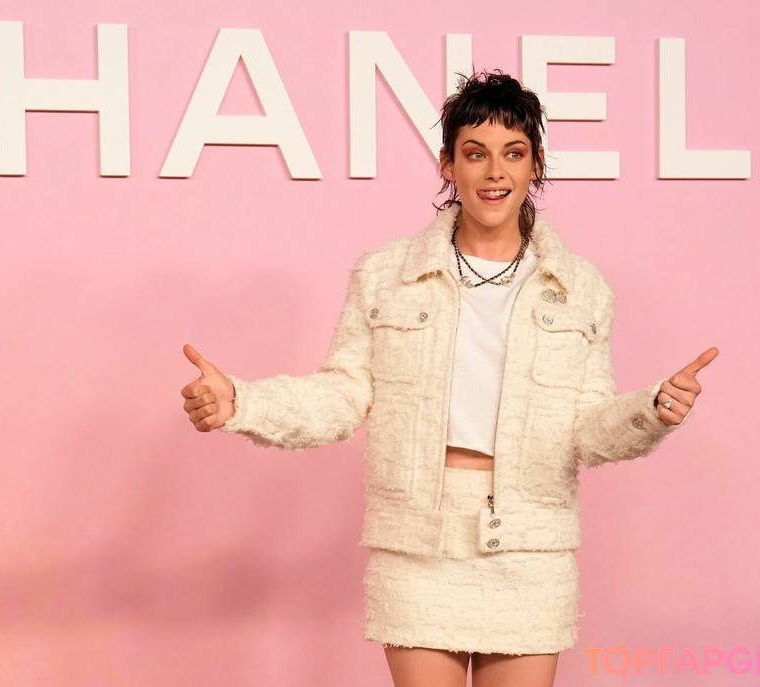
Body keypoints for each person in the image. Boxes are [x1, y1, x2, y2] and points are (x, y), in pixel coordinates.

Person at [180, 71, 717, 687]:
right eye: (475, 153)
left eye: (513, 153)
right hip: (418, 541)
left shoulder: (582, 289)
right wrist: (242, 401)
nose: (495, 172)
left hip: (529, 547)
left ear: (536, 164)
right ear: (448, 165)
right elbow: (344, 394)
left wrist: (651, 410)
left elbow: (589, 429)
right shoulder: (385, 274)